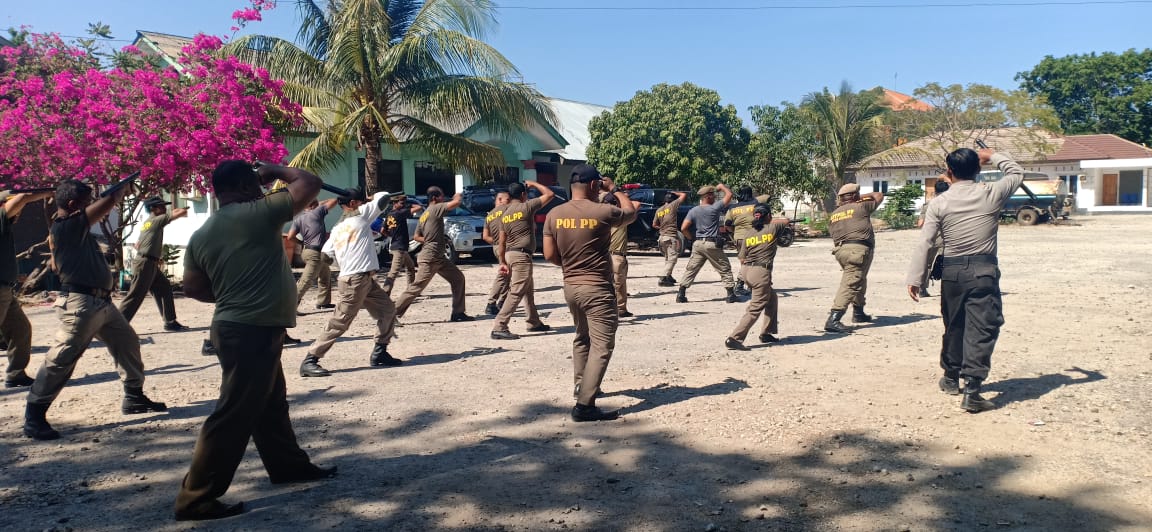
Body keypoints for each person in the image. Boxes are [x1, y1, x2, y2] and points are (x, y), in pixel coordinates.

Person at [174, 161, 335, 521]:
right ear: (248, 187)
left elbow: (193, 288)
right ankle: (195, 498)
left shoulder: (204, 232)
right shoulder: (257, 213)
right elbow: (309, 181)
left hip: (236, 325)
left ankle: (289, 466)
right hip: (252, 329)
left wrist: (236, 291)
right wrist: (275, 170)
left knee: (270, 402)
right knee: (234, 412)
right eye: (258, 186)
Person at [23, 180, 168, 441]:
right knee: (62, 358)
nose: (89, 205)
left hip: (101, 303)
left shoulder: (74, 229)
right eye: (85, 202)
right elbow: (106, 205)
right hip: (80, 304)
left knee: (127, 343)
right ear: (71, 205)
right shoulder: (66, 225)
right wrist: (118, 193)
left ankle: (134, 396)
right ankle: (34, 414)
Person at [906, 147, 1024, 414]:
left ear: (949, 172)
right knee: (982, 327)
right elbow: (1016, 171)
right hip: (983, 271)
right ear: (979, 170)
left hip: (952, 272)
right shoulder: (991, 193)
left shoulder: (939, 203)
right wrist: (993, 154)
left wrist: (916, 278)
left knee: (954, 325)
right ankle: (972, 389)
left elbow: (925, 242)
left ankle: (950, 376)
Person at [543, 164, 637, 422]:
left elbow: (550, 255)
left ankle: (580, 385)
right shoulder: (603, 211)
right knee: (603, 345)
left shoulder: (554, 214)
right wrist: (615, 189)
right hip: (596, 288)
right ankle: (585, 405)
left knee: (582, 338)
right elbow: (630, 213)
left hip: (571, 286)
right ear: (595, 185)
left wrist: (572, 266)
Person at [299, 189, 402, 377]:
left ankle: (380, 353)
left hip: (362, 278)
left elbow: (325, 255)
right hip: (355, 280)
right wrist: (371, 198)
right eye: (361, 202)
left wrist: (345, 258)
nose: (364, 204)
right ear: (354, 203)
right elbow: (385, 197)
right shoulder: (361, 215)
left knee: (387, 310)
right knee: (340, 322)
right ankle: (310, 359)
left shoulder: (339, 228)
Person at [394, 186, 472, 322]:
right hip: (430, 257)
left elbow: (417, 236)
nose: (444, 198)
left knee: (458, 279)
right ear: (435, 198)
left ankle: (458, 313)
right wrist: (458, 194)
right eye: (442, 196)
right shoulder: (435, 208)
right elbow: (457, 203)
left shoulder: (424, 214)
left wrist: (430, 239)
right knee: (416, 287)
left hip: (438, 256)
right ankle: (390, 314)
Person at [1, 190, 53, 388]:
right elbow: (22, 198)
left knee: (21, 329)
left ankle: (16, 374)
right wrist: (50, 191)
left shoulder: (6, 227)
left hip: (6, 290)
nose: (20, 211)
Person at [490, 182, 554, 339]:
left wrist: (502, 262)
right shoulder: (526, 207)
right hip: (521, 256)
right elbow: (550, 194)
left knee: (528, 291)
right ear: (523, 195)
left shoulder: (505, 214)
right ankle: (500, 325)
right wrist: (534, 183)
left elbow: (502, 242)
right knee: (517, 291)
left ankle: (533, 322)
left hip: (510, 255)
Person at [724, 203, 789, 350]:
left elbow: (741, 257)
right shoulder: (773, 227)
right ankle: (735, 338)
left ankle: (767, 333)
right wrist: (772, 220)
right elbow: (786, 221)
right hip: (761, 272)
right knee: (755, 307)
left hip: (746, 271)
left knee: (772, 298)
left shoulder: (748, 233)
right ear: (768, 216)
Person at [118, 196, 188, 330]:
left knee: (164, 287)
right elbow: (179, 213)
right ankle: (116, 326)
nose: (164, 208)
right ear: (153, 209)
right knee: (135, 295)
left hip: (148, 261)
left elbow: (138, 245)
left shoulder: (148, 223)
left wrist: (154, 256)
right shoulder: (156, 220)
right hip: (145, 264)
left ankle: (170, 322)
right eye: (161, 206)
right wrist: (185, 209)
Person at [823, 183, 883, 334]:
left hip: (841, 251)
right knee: (851, 283)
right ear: (855, 196)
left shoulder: (834, 214)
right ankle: (834, 319)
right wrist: (858, 198)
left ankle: (858, 312)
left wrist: (846, 200)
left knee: (859, 279)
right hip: (858, 249)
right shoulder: (861, 206)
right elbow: (878, 195)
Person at [676, 184, 737, 304]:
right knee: (724, 267)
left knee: (691, 269)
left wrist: (692, 239)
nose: (714, 197)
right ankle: (730, 294)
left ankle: (681, 293)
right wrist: (722, 187)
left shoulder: (693, 210)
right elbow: (729, 195)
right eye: (713, 195)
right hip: (711, 243)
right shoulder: (714, 208)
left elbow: (683, 228)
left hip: (698, 243)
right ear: (708, 196)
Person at [598, 178, 642, 318]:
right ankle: (612, 311)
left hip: (610, 255)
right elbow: (636, 204)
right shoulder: (619, 216)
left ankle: (621, 309)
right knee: (617, 285)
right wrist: (616, 191)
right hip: (615, 256)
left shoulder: (600, 216)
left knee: (617, 285)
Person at [285, 197, 339, 311]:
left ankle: (323, 302)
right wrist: (321, 203)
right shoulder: (317, 212)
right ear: (314, 205)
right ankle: (289, 307)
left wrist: (300, 242)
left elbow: (290, 236)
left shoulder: (299, 219)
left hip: (308, 250)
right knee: (306, 280)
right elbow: (334, 200)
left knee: (325, 275)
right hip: (315, 253)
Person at [723, 187, 772, 298]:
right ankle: (740, 285)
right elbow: (768, 197)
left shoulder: (732, 208)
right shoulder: (755, 203)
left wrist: (735, 232)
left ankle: (749, 284)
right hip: (753, 237)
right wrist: (755, 198)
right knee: (752, 262)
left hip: (738, 237)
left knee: (744, 261)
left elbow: (727, 224)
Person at [915, 180, 951, 297]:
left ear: (935, 191)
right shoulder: (951, 203)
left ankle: (922, 289)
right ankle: (947, 289)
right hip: (947, 237)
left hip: (931, 237)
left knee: (927, 263)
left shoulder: (929, 204)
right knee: (948, 263)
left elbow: (920, 223)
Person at [381, 193, 422, 295]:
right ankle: (385, 292)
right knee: (394, 272)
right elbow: (419, 207)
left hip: (398, 246)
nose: (404, 205)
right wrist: (410, 204)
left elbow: (382, 230)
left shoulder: (390, 214)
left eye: (404, 203)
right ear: (395, 203)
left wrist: (391, 235)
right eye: (402, 203)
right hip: (399, 247)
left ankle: (411, 289)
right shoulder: (400, 213)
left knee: (411, 267)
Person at [482, 191, 511, 314]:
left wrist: (497, 244)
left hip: (496, 247)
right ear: (499, 199)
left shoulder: (489, 215)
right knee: (503, 275)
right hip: (507, 247)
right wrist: (503, 244)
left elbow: (485, 236)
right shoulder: (507, 209)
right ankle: (491, 303)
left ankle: (502, 302)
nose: (509, 202)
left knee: (507, 276)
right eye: (507, 199)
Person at [652, 190, 687, 287]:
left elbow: (654, 224)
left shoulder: (659, 210)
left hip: (662, 237)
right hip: (670, 237)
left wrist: (662, 228)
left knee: (668, 258)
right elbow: (683, 195)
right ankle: (663, 278)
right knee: (673, 258)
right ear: (673, 200)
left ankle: (669, 276)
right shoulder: (672, 205)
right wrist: (675, 192)